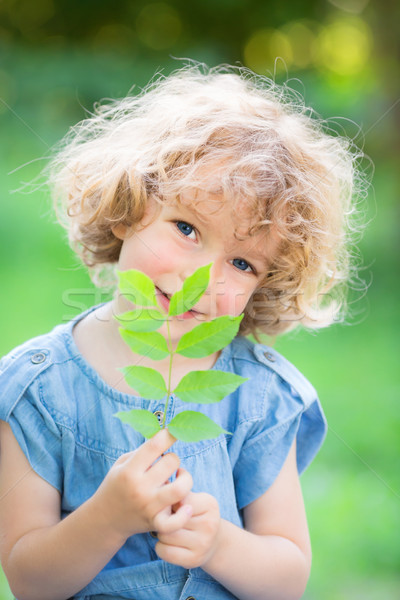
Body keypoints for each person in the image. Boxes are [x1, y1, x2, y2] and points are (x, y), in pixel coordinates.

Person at [0, 64, 364, 600]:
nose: (202, 279)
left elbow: (287, 579)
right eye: (187, 228)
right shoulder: (39, 389)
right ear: (129, 208)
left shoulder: (257, 396)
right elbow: (30, 581)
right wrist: (108, 518)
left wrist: (217, 542)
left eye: (242, 263)